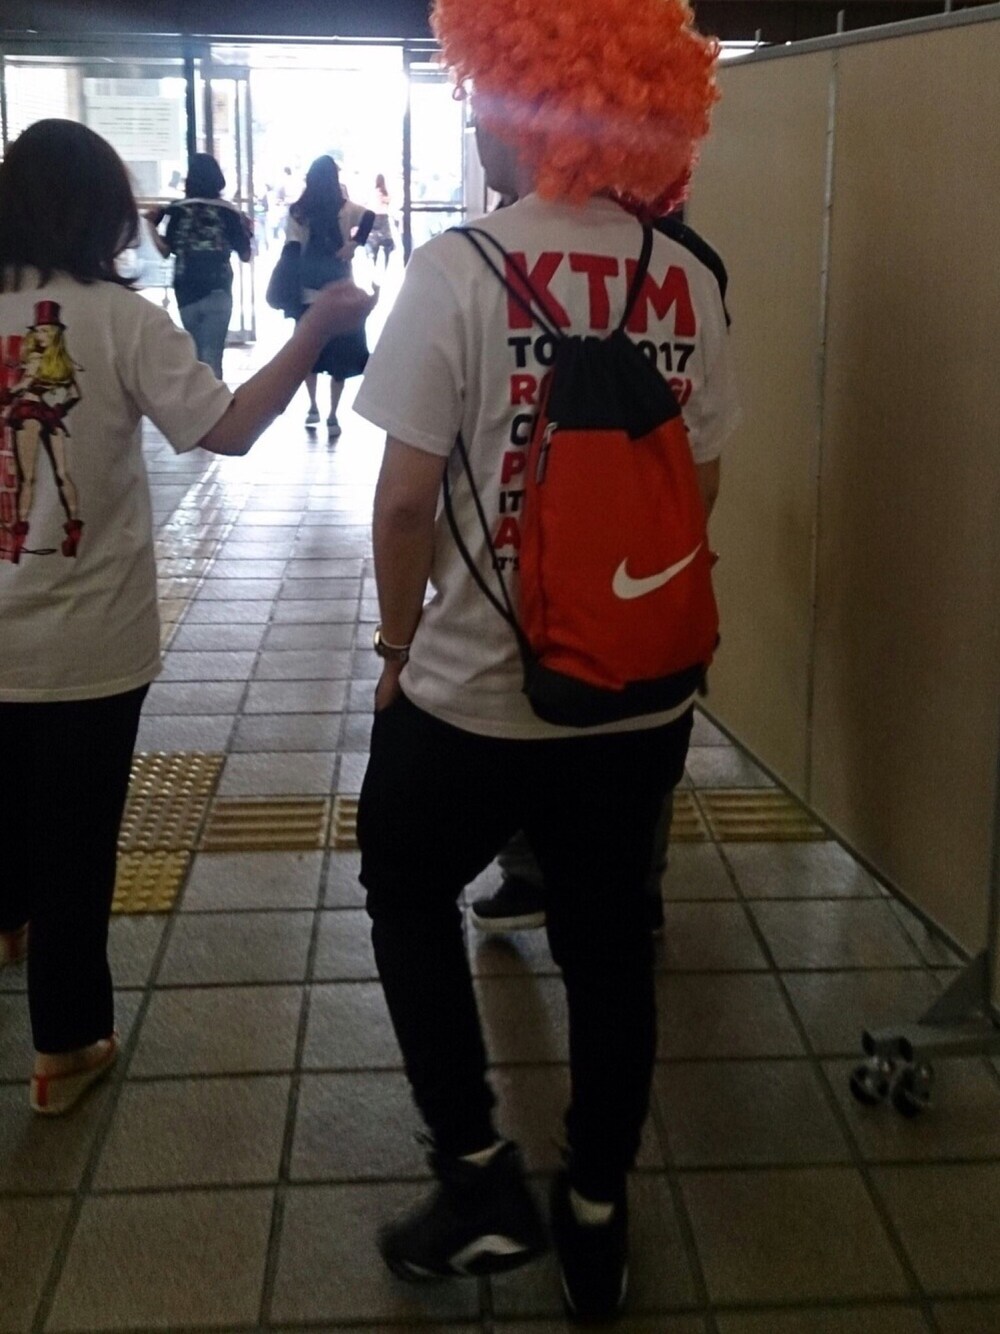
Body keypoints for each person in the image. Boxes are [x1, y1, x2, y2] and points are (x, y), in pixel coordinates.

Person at [352, 0, 737, 1321]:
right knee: (611, 944)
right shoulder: (685, 275)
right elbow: (702, 486)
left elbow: (404, 503)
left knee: (404, 885)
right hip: (635, 698)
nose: (478, 120)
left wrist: (398, 646)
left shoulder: (459, 268)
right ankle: (597, 1206)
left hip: (471, 689)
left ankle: (476, 1176)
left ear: (522, 109)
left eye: (485, 99)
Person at [0, 118, 373, 1116]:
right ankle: (65, 1043)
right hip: (87, 640)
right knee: (77, 840)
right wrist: (314, 330)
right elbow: (229, 428)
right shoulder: (120, 320)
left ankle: (6, 919)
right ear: (103, 214)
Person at [145, 153, 252, 378]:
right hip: (219, 289)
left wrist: (150, 227)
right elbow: (245, 255)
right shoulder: (228, 212)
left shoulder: (178, 210)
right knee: (213, 358)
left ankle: (195, 397)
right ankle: (215, 399)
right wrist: (247, 232)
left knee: (194, 356)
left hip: (186, 290)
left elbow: (165, 250)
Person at [286, 155, 371, 438]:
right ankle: (334, 414)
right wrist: (353, 245)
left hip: (308, 291)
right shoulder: (346, 207)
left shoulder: (298, 210)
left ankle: (312, 406)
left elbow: (292, 247)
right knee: (340, 356)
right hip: (341, 289)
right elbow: (369, 216)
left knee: (308, 352)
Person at [366, 173, 396, 275]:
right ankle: (385, 269)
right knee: (387, 244)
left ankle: (373, 267)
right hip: (384, 218)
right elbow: (389, 203)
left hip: (373, 218)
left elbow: (369, 205)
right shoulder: (386, 193)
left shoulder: (373, 193)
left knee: (373, 244)